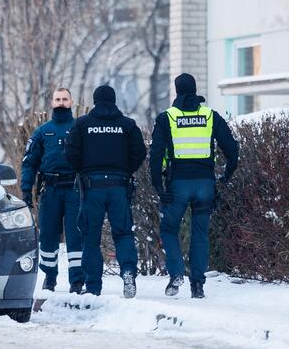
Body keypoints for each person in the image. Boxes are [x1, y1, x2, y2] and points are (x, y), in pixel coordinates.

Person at [149, 73, 239, 299]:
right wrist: (225, 177)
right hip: (205, 184)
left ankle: (177, 273)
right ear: (195, 89)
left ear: (176, 91)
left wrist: (159, 187)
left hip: (178, 184)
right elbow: (232, 150)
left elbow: (156, 154)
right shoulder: (210, 116)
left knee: (169, 229)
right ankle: (197, 285)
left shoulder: (167, 118)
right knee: (200, 233)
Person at [64, 85, 146, 298]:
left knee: (91, 237)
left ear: (95, 100)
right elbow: (139, 152)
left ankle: (93, 287)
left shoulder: (82, 124)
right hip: (119, 187)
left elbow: (70, 153)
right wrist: (126, 171)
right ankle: (128, 272)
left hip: (92, 188)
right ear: (114, 100)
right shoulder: (127, 125)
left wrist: (82, 170)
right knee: (123, 233)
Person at [20, 88, 84, 293]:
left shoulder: (79, 128)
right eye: (57, 99)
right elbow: (29, 163)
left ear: (71, 102)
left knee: (76, 234)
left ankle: (77, 280)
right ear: (52, 103)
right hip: (50, 189)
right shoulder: (42, 131)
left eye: (65, 99)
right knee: (48, 235)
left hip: (75, 189)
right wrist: (26, 190)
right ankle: (50, 277)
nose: (61, 102)